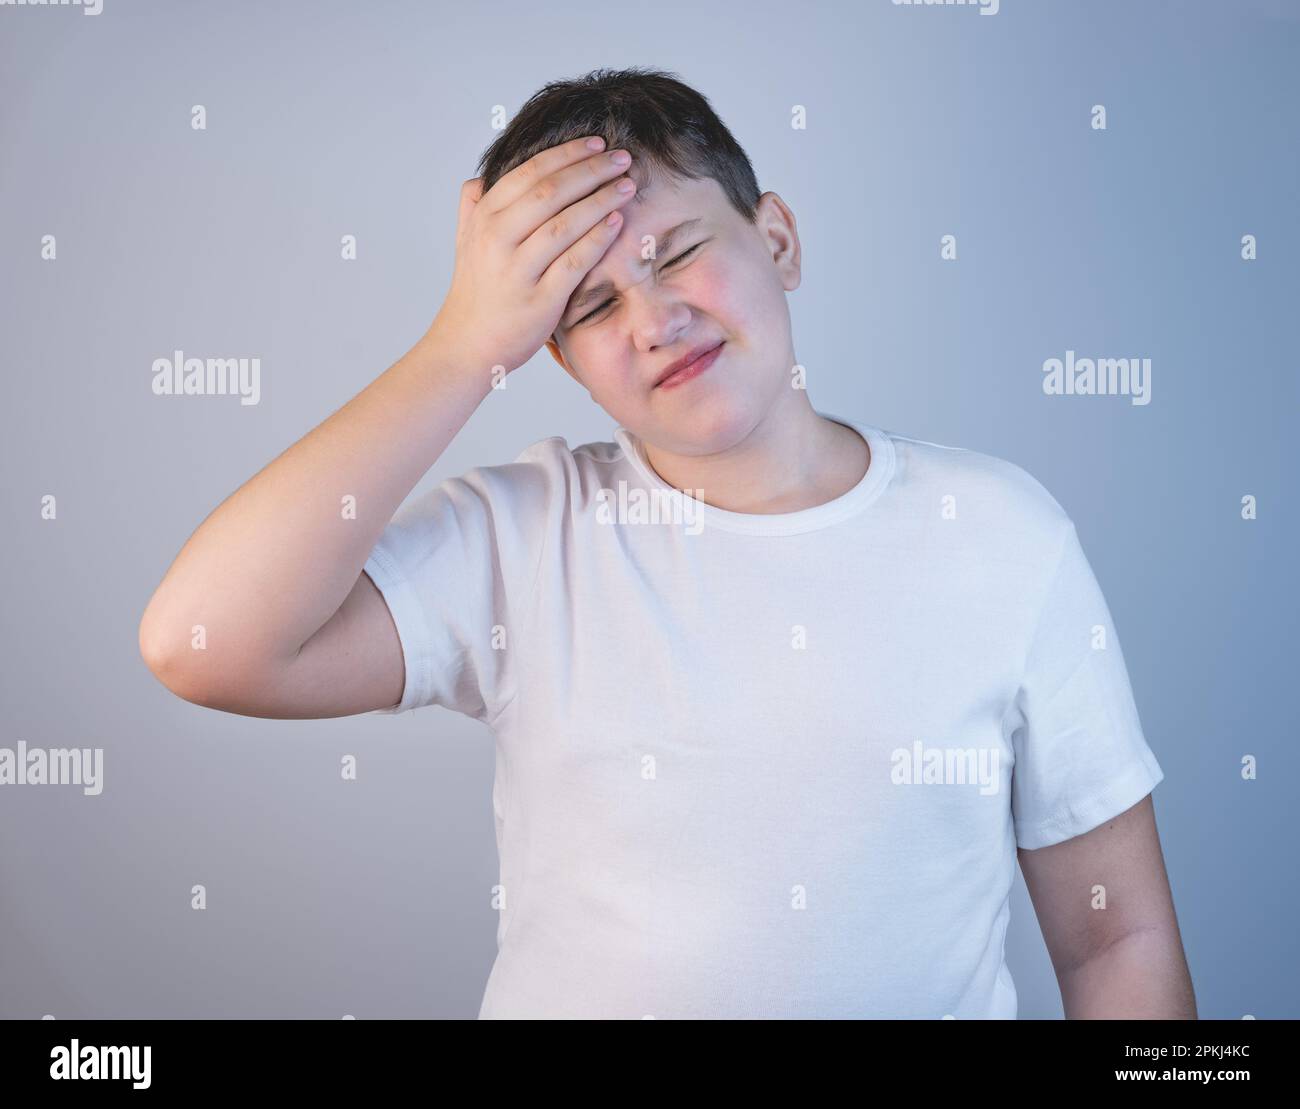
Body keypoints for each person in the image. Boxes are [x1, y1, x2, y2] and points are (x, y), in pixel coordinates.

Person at [138, 66, 1195, 1019]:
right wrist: (460, 346)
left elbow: (1117, 939)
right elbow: (201, 638)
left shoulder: (1003, 536)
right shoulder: (523, 539)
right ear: (553, 358)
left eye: (678, 253)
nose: (652, 321)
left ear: (775, 238)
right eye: (590, 305)